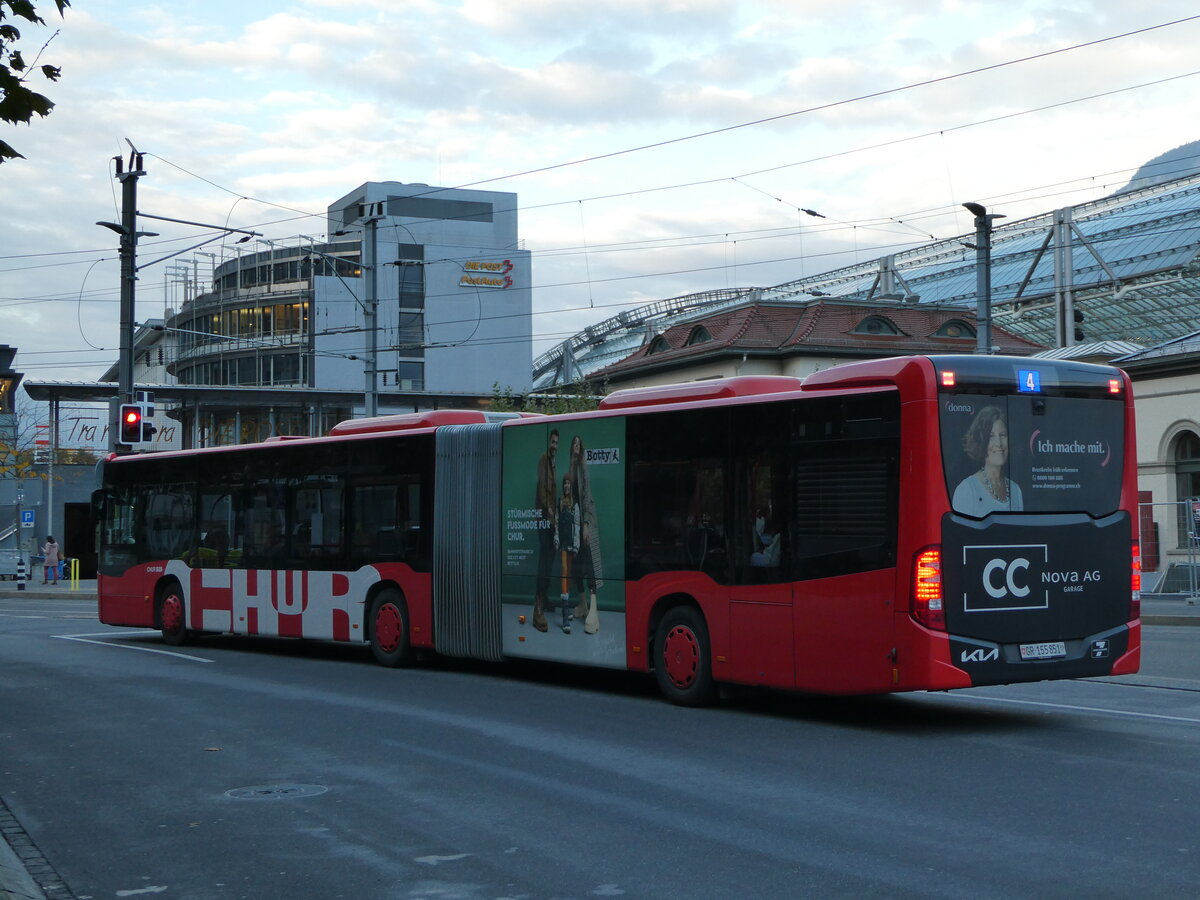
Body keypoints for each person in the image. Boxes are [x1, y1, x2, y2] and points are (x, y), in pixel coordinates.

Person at [953, 405, 1024, 516]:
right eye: (991, 436)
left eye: (1002, 435)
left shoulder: (1015, 490)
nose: (998, 443)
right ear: (980, 441)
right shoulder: (967, 489)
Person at [568, 434, 602, 635]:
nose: (576, 446)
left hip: (584, 523)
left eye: (579, 444)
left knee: (589, 564)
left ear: (581, 447)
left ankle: (594, 609)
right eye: (574, 443)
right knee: (576, 566)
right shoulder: (571, 468)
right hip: (574, 524)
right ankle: (583, 604)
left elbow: (587, 494)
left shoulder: (583, 466)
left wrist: (586, 524)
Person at [531, 429, 559, 632]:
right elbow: (542, 487)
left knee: (550, 556)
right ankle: (537, 608)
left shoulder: (554, 463)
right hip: (543, 515)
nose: (554, 445)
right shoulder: (544, 459)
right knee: (544, 557)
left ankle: (546, 597)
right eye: (552, 441)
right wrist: (549, 510)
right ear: (548, 441)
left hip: (551, 517)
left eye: (557, 443)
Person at [557, 474, 579, 634]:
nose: (566, 486)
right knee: (564, 571)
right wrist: (556, 539)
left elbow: (577, 525)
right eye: (564, 484)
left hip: (572, 544)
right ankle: (565, 612)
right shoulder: (560, 502)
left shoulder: (575, 504)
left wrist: (577, 545)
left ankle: (568, 608)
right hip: (563, 543)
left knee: (569, 573)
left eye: (568, 484)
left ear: (571, 487)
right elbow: (557, 522)